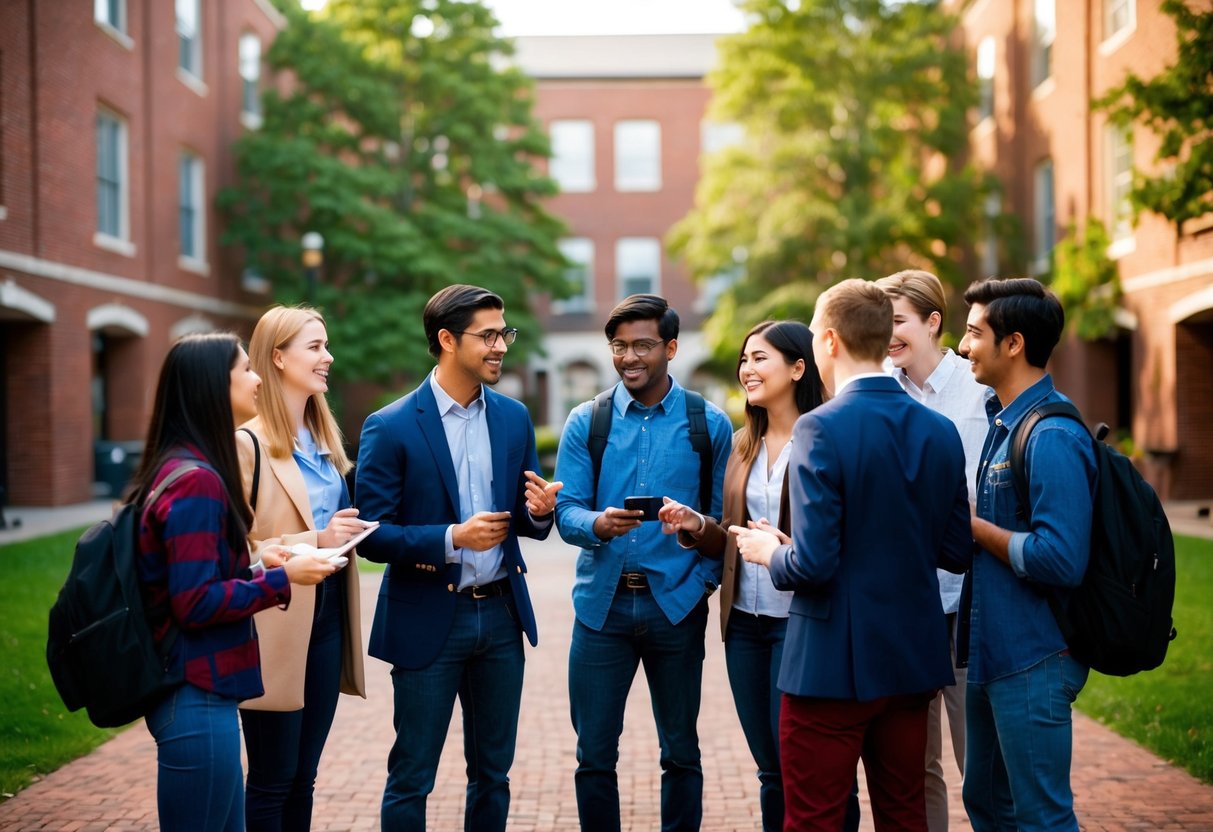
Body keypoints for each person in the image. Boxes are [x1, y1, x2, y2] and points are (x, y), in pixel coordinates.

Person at [734, 279, 972, 831]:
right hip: (912, 658)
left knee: (814, 819)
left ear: (831, 341)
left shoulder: (820, 426)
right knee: (904, 814)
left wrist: (770, 551)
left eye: (816, 334)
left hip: (830, 664)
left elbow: (812, 566)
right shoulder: (938, 430)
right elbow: (956, 551)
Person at [355, 284, 562, 831]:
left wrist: (539, 513)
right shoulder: (390, 425)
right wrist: (451, 538)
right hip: (427, 618)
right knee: (413, 776)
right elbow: (373, 536)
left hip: (500, 618)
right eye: (488, 335)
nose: (501, 346)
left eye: (504, 334)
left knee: (493, 773)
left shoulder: (514, 418)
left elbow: (521, 521)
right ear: (447, 339)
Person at [132, 333, 336, 831]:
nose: (257, 378)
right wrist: (281, 577)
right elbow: (196, 602)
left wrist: (260, 559)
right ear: (212, 386)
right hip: (196, 691)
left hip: (200, 690)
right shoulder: (197, 478)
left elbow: (194, 575)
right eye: (244, 370)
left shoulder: (178, 466)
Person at [554, 294, 733, 832]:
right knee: (593, 755)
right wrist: (596, 526)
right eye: (618, 346)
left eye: (642, 345)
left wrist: (698, 585)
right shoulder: (587, 422)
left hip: (674, 609)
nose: (629, 357)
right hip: (600, 610)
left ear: (671, 348)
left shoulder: (710, 424)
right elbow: (565, 511)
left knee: (680, 751)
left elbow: (723, 524)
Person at [659, 320, 845, 832]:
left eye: (760, 358)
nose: (747, 369)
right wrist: (698, 526)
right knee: (770, 768)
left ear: (798, 366)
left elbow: (842, 535)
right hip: (744, 625)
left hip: (800, 620)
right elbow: (735, 538)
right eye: (744, 360)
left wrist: (792, 549)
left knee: (806, 766)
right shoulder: (743, 445)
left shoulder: (828, 437)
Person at [956, 277, 1097, 831]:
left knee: (1042, 819)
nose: (963, 347)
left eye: (973, 333)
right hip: (990, 655)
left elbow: (1061, 557)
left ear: (1012, 343)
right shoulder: (1002, 421)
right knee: (988, 806)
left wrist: (973, 528)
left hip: (1035, 658)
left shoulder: (1050, 433)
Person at [236, 306, 368, 831]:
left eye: (325, 345)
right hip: (272, 621)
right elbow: (235, 549)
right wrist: (318, 539)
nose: (328, 356)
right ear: (277, 357)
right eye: (314, 346)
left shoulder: (324, 443)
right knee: (271, 779)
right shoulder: (247, 444)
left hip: (328, 614)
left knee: (304, 775)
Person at [877, 269, 991, 832]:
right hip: (910, 601)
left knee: (980, 760)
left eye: (896, 321)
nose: (886, 334)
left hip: (972, 597)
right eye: (881, 322)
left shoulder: (982, 391)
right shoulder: (877, 394)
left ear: (933, 322)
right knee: (915, 764)